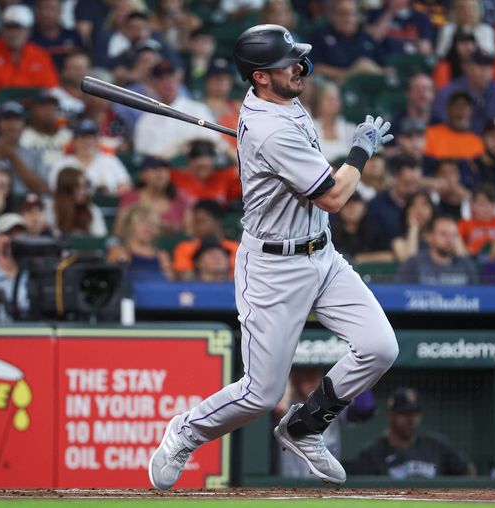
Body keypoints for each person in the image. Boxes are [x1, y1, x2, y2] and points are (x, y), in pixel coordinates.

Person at [149, 24, 399, 489]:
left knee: (380, 347)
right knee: (261, 393)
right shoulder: (267, 130)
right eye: (288, 62)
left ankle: (305, 426)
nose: (299, 67)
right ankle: (184, 432)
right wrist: (361, 151)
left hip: (322, 254)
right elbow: (334, 197)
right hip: (273, 267)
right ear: (260, 77)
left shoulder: (281, 103)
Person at [350, 387, 475, 478]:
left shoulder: (436, 445)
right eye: (405, 413)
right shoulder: (372, 454)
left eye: (415, 413)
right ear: (391, 416)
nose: (411, 419)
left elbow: (468, 471)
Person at [133, 59, 222, 158]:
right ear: (153, 84)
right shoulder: (147, 119)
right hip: (164, 170)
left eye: (171, 77)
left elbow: (215, 144)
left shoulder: (198, 109)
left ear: (178, 80)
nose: (168, 82)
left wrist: (186, 144)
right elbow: (143, 157)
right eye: (162, 78)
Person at [0, 5, 59, 97]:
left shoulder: (41, 56)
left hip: (33, 108)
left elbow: (50, 90)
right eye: (8, 27)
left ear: (29, 31)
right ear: (2, 30)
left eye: (18, 28)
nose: (13, 33)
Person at [0, 101, 49, 195]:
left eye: (17, 119)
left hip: (23, 205)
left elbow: (42, 188)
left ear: (23, 124)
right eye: (7, 119)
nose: (12, 124)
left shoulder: (34, 153)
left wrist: (12, 156)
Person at [308, 0, 391, 85]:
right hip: (337, 88)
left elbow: (389, 70)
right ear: (331, 15)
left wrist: (373, 70)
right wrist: (351, 73)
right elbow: (315, 68)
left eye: (352, 13)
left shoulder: (367, 37)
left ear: (358, 16)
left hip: (371, 89)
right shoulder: (321, 35)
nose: (347, 18)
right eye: (341, 13)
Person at [49, 118, 132, 196]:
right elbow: (54, 190)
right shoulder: (62, 164)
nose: (87, 142)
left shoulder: (110, 160)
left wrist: (110, 193)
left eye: (91, 137)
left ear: (97, 141)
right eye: (82, 137)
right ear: (73, 142)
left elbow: (126, 186)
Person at [431, 49, 495, 136]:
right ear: (467, 68)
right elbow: (439, 121)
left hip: (487, 142)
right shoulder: (449, 92)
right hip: (456, 139)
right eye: (479, 65)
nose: (485, 71)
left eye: (489, 66)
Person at [118, 155, 194, 236]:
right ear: (142, 174)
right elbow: (119, 230)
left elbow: (190, 232)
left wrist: (176, 229)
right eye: (154, 168)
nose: (161, 173)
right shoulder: (130, 197)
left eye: (165, 169)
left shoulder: (180, 196)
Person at [365, 154, 422, 256]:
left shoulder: (424, 203)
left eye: (416, 184)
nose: (413, 189)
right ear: (394, 177)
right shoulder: (376, 206)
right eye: (407, 183)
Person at [395, 215, 477, 285]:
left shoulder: (466, 266)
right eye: (443, 234)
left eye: (453, 235)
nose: (449, 240)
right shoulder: (413, 265)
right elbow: (399, 295)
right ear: (430, 237)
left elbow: (478, 296)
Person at [171, 199, 239, 280]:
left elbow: (242, 277)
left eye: (202, 222)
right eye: (195, 223)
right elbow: (185, 278)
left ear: (217, 222)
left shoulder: (236, 248)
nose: (197, 227)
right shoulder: (185, 248)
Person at [107, 204, 173, 282]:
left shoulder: (162, 256)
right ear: (130, 225)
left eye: (152, 224)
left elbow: (169, 285)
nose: (148, 228)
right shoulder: (119, 252)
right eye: (143, 223)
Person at [44, 167, 108, 238]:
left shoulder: (92, 210)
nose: (83, 192)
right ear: (66, 189)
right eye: (78, 187)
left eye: (85, 186)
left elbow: (100, 239)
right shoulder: (50, 208)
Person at [19, 89, 73, 171]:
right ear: (32, 110)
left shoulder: (69, 136)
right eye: (43, 105)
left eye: (52, 106)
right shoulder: (22, 136)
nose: (49, 110)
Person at [30, 0, 84, 71]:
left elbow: (83, 58)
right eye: (42, 8)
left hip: (69, 78)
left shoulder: (72, 35)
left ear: (60, 10)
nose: (46, 13)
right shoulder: (29, 38)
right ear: (36, 11)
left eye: (51, 9)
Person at [312, 80, 357, 163]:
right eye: (329, 99)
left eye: (336, 98)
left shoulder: (350, 129)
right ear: (318, 102)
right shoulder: (310, 128)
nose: (333, 102)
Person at [458, 183, 495, 256]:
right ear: (472, 204)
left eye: (491, 204)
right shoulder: (464, 224)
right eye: (482, 204)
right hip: (471, 260)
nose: (487, 208)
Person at [391, 190, 435, 263]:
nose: (419, 209)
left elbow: (460, 258)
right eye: (414, 205)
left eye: (424, 204)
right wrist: (413, 228)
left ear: (432, 210)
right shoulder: (399, 242)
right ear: (407, 211)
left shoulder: (441, 235)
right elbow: (409, 263)